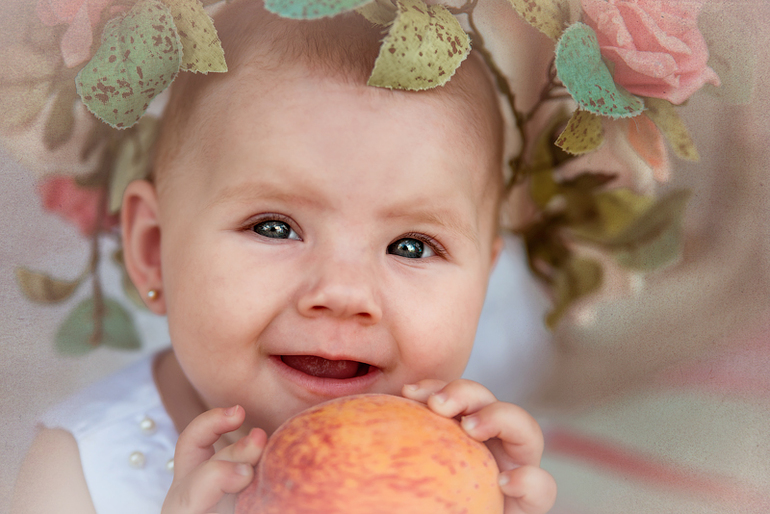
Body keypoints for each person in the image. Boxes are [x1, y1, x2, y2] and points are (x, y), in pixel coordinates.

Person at [13, 1, 557, 512]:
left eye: (410, 246)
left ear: (483, 284)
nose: (343, 294)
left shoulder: (458, 462)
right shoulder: (74, 475)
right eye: (275, 228)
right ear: (153, 250)